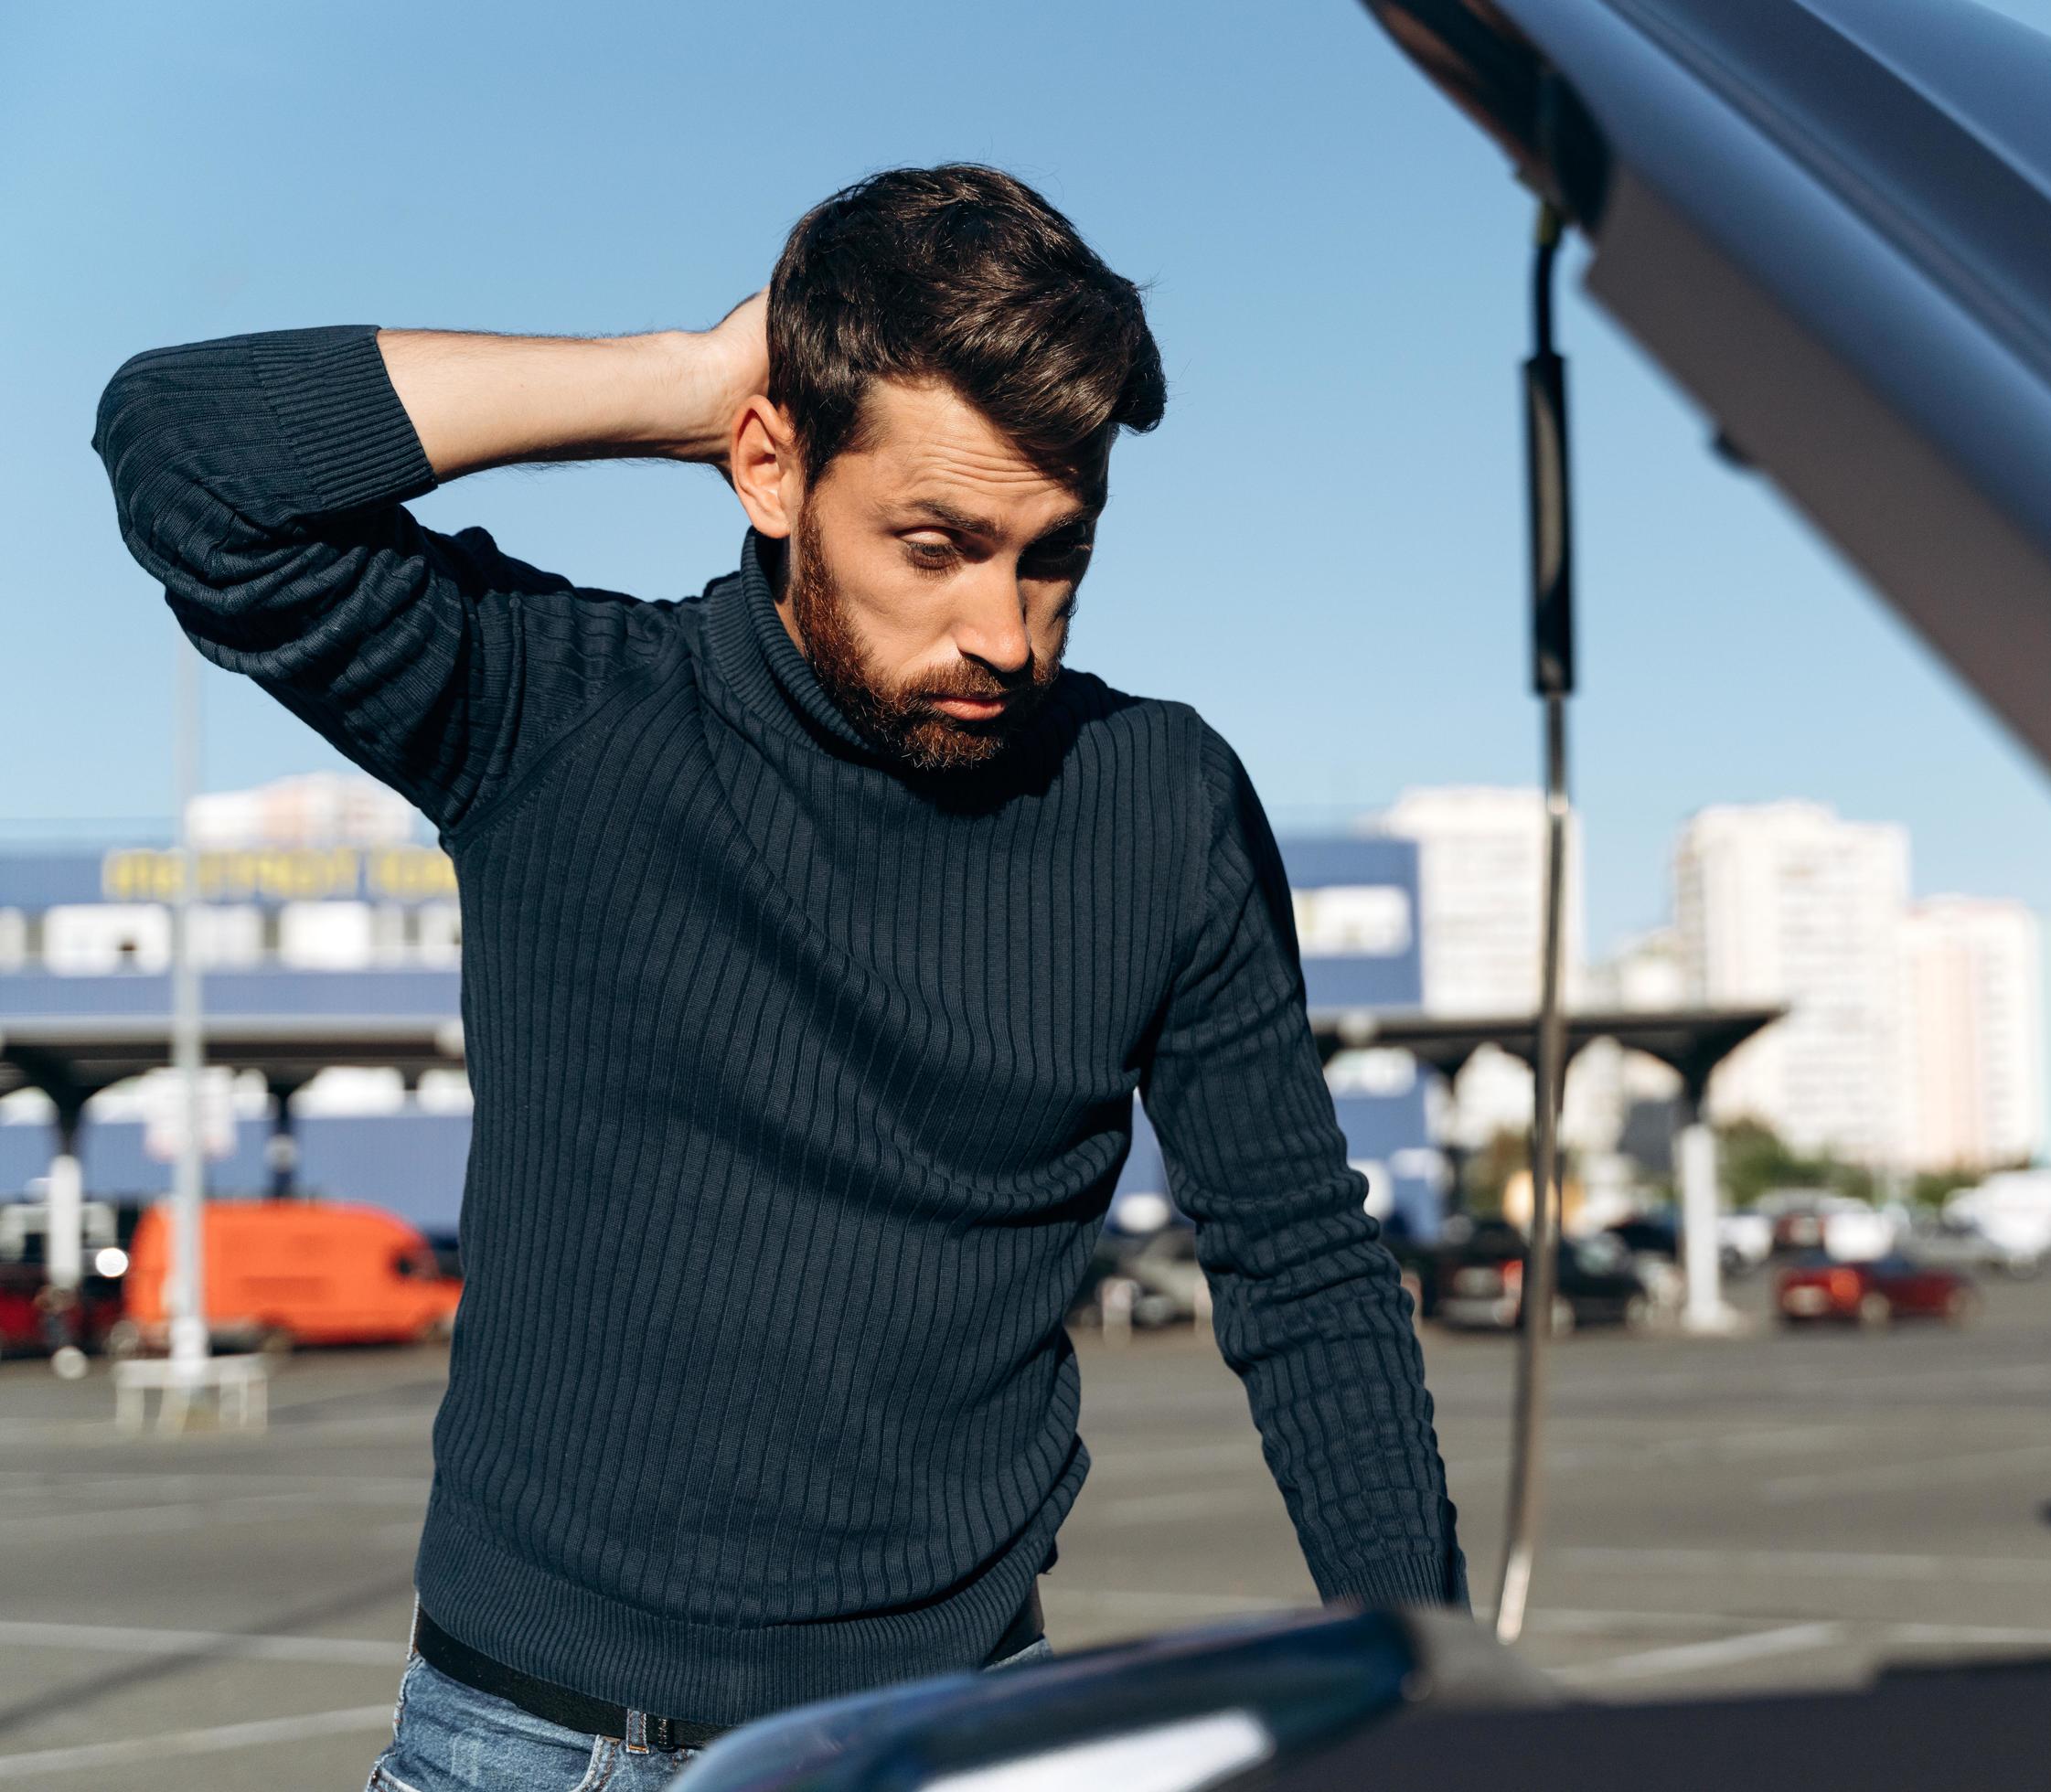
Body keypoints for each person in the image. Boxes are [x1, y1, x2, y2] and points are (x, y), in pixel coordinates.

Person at [95, 164, 1465, 1790]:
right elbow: (186, 459)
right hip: (525, 1748)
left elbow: (1303, 1273)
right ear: (771, 468)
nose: (1005, 632)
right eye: (937, 546)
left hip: (947, 1736)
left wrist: (1441, 1706)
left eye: (1053, 556)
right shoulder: (557, 717)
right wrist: (681, 378)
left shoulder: (1161, 805)